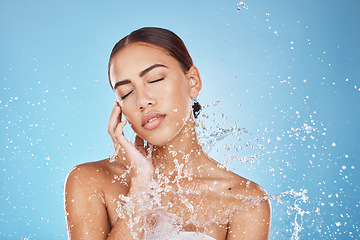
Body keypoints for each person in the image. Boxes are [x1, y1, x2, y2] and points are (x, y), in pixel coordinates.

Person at [64, 27, 271, 240]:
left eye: (155, 79)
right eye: (126, 93)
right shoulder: (90, 180)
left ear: (193, 81)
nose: (142, 101)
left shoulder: (245, 200)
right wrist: (140, 191)